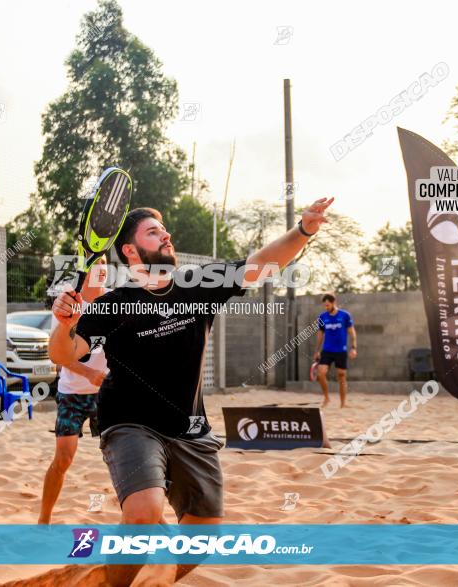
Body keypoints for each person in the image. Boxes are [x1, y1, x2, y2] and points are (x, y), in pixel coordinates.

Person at [49, 198, 333, 586]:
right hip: (130, 423)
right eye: (153, 231)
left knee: (202, 538)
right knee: (145, 514)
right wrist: (65, 321)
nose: (166, 235)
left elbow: (261, 265)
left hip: (189, 427)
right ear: (131, 251)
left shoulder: (198, 284)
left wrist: (303, 231)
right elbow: (62, 354)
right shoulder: (114, 305)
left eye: (164, 229)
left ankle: (137, 573)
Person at [37, 258, 109, 524]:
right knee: (64, 459)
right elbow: (58, 355)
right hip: (73, 393)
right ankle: (43, 518)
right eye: (96, 262)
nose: (102, 267)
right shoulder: (70, 300)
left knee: (124, 460)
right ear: (85, 268)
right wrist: (89, 372)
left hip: (106, 394)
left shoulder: (116, 301)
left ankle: (153, 520)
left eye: (105, 262)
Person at [313, 293, 356, 408]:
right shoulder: (323, 317)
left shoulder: (345, 315)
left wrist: (353, 347)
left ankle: (343, 403)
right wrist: (317, 350)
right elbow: (320, 334)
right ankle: (327, 398)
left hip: (341, 351)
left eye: (328, 305)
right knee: (321, 374)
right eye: (325, 306)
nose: (326, 307)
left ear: (333, 303)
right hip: (327, 350)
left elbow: (352, 333)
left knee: (341, 376)